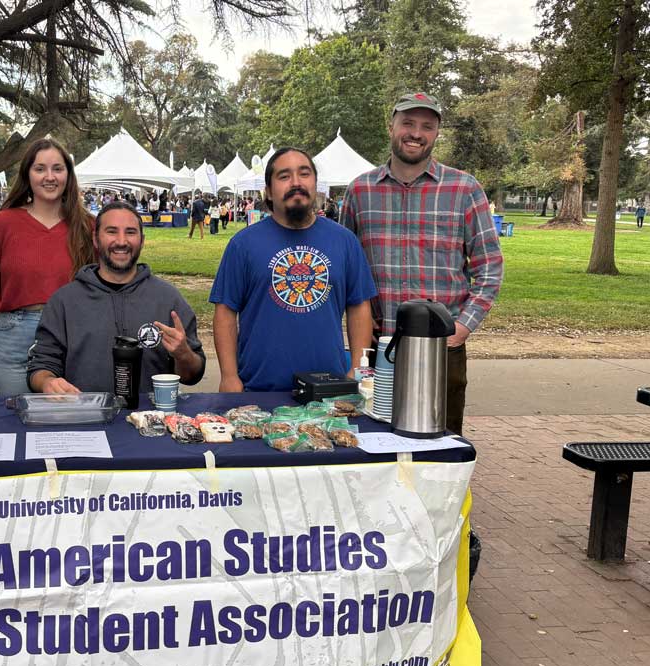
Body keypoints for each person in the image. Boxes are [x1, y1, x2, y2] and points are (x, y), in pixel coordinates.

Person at [340, 91, 504, 437]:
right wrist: (358, 324)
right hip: (377, 346)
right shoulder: (360, 192)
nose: (416, 133)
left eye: (427, 126)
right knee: (370, 439)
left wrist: (461, 329)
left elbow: (489, 268)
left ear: (436, 134)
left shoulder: (464, 189)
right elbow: (345, 270)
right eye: (408, 123)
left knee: (440, 446)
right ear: (391, 126)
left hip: (441, 346)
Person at [210, 148, 376, 392]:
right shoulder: (243, 244)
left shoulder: (345, 241)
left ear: (315, 183)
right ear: (268, 191)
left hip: (330, 390)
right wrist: (229, 376)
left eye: (304, 174)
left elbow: (359, 306)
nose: (296, 182)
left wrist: (356, 370)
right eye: (284, 176)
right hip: (259, 389)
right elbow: (225, 312)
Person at [28, 201, 205, 394]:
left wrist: (183, 354)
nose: (121, 241)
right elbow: (40, 367)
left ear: (142, 240)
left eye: (130, 232)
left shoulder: (168, 299)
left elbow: (192, 375)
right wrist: (47, 382)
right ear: (95, 239)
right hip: (86, 417)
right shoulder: (64, 301)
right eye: (112, 231)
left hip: (150, 418)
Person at [0, 138, 97, 396]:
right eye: (40, 169)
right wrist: (9, 321)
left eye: (57, 168)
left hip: (71, 334)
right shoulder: (3, 223)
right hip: (14, 335)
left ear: (68, 175)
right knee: (14, 420)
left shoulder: (88, 226)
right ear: (27, 175)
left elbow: (98, 285)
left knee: (69, 422)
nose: (49, 176)